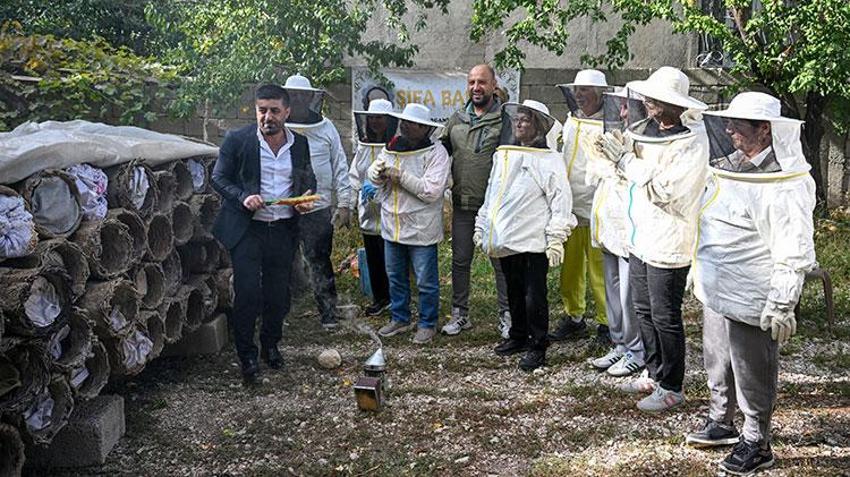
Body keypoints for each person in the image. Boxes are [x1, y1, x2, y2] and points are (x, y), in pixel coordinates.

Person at [685, 92, 816, 475]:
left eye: (738, 125)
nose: (728, 131)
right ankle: (721, 421)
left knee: (751, 368)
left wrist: (781, 302)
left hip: (753, 294)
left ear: (765, 129)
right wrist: (700, 269)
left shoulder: (786, 183)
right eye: (727, 123)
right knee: (717, 360)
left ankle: (757, 440)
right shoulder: (732, 167)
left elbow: (793, 248)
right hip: (717, 287)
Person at [595, 66, 709, 412]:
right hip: (641, 234)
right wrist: (614, 157)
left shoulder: (693, 142)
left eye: (654, 98)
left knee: (665, 315)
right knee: (643, 310)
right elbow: (630, 177)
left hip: (671, 241)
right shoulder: (645, 132)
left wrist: (626, 162)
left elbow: (665, 190)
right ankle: (655, 372)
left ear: (672, 103)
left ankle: (673, 385)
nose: (646, 102)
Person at [211, 84, 317, 385]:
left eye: (273, 110)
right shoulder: (238, 140)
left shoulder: (299, 144)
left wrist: (307, 198)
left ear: (286, 112)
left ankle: (271, 345)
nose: (267, 116)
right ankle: (246, 355)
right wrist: (243, 196)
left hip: (283, 230)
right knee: (247, 293)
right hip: (248, 229)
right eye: (262, 110)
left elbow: (308, 179)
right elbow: (218, 177)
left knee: (277, 294)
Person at [475, 100, 575, 370]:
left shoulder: (550, 160)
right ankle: (518, 336)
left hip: (533, 240)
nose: (518, 124)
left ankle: (538, 346)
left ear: (539, 127)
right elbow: (492, 193)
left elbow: (561, 200)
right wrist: (482, 225)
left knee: (534, 296)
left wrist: (556, 237)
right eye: (516, 119)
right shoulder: (504, 155)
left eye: (525, 120)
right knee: (514, 290)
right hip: (507, 237)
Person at [368, 103, 451, 344]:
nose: (404, 126)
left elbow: (431, 191)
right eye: (402, 122)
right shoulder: (392, 147)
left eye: (410, 123)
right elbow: (375, 179)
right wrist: (376, 173)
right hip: (392, 224)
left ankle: (427, 322)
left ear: (424, 128)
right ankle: (400, 318)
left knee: (425, 280)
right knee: (395, 277)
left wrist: (400, 176)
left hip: (421, 228)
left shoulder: (437, 153)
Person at [440, 64, 511, 338]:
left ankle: (507, 315)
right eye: (471, 82)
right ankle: (460, 315)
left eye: (482, 82)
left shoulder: (505, 119)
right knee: (460, 261)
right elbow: (437, 153)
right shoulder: (456, 119)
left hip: (494, 207)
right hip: (462, 204)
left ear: (494, 85)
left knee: (500, 261)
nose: (476, 88)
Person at [583, 83, 646, 377]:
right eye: (619, 106)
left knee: (628, 295)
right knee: (612, 290)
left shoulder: (648, 142)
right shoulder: (620, 135)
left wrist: (620, 164)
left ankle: (638, 350)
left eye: (626, 107)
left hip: (629, 230)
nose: (621, 112)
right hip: (608, 225)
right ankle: (620, 343)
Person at [283, 74, 353, 330]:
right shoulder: (277, 126)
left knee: (319, 259)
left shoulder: (326, 127)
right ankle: (283, 314)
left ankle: (328, 312)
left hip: (319, 207)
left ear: (310, 97)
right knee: (283, 259)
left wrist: (344, 203)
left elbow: (340, 164)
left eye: (303, 94)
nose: (299, 99)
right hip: (284, 206)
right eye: (293, 95)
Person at [550, 70, 611, 344]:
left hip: (599, 207)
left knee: (600, 269)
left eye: (585, 90)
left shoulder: (611, 125)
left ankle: (606, 323)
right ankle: (574, 317)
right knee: (570, 268)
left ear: (599, 94)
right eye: (577, 90)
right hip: (570, 206)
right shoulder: (572, 120)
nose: (579, 95)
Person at [348, 99, 397, 315]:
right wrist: (349, 205)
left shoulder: (398, 145)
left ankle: (396, 300)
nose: (375, 122)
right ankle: (380, 299)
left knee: (393, 260)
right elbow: (354, 177)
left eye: (380, 118)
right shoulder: (363, 145)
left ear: (390, 121)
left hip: (391, 210)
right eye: (372, 118)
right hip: (368, 212)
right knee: (374, 258)